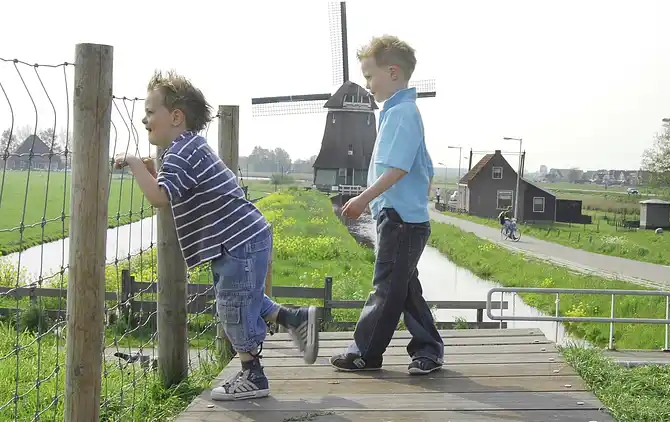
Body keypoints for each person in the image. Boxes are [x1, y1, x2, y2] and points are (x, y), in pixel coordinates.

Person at [114, 70, 320, 401]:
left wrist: (133, 163)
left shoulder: (181, 151)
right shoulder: (186, 148)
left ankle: (253, 374)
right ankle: (294, 319)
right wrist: (149, 170)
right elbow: (172, 186)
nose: (144, 118)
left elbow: (159, 198)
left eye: (151, 112)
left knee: (232, 308)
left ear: (176, 117)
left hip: (236, 243)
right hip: (240, 239)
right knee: (242, 298)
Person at [334, 35, 444, 375]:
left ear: (392, 72)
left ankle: (365, 352)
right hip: (398, 216)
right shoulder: (399, 113)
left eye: (370, 76)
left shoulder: (402, 114)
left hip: (401, 221)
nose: (367, 85)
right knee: (405, 288)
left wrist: (364, 198)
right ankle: (428, 349)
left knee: (386, 288)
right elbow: (425, 168)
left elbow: (398, 167)